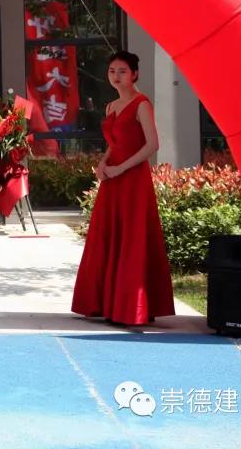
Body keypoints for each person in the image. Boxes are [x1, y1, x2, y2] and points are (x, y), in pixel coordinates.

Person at [71, 51, 175, 326]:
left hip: (133, 179)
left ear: (134, 74)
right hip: (112, 178)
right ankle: (106, 303)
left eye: (122, 71)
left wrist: (121, 168)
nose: (116, 76)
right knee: (109, 234)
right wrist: (103, 163)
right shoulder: (111, 106)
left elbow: (152, 145)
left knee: (132, 236)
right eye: (112, 71)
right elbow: (114, 143)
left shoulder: (142, 104)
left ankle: (132, 307)